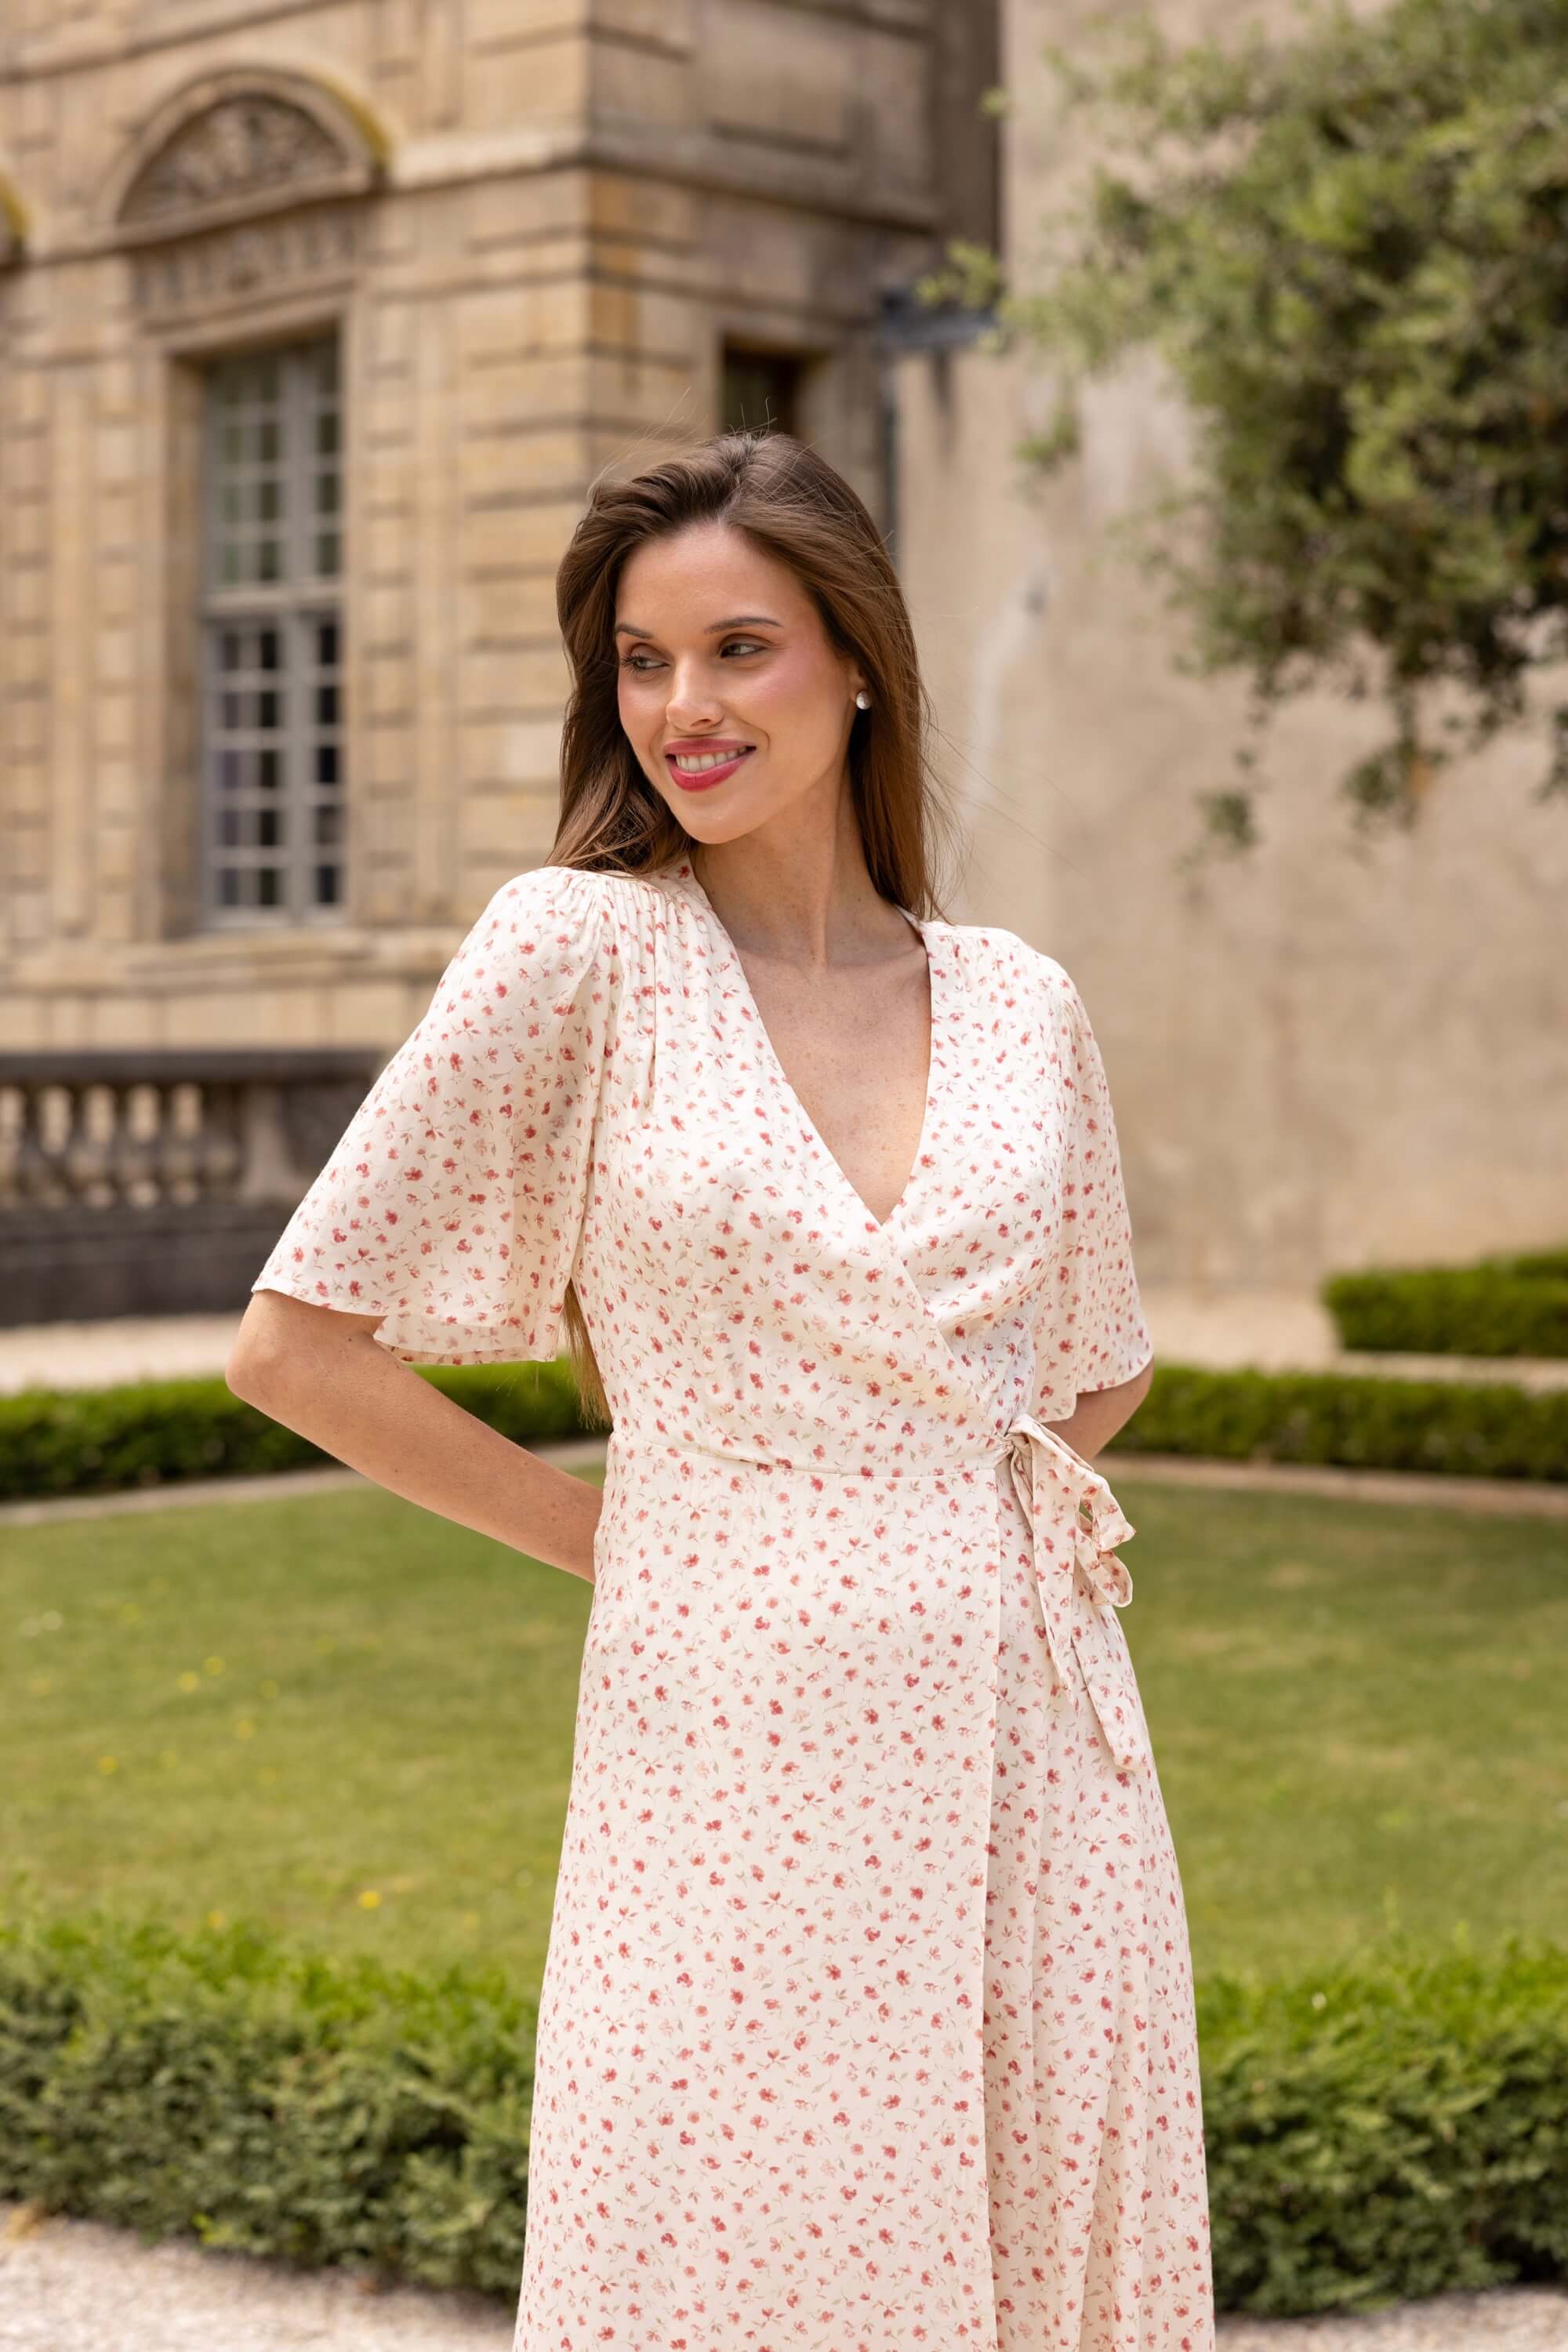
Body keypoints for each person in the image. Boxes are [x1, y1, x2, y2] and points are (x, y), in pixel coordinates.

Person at [227, 429, 1214, 2351]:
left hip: (1040, 1749)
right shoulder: (578, 949)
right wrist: (650, 1543)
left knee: (1037, 2241)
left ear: (858, 663)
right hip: (729, 1741)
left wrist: (918, 1514)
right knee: (738, 2249)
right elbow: (298, 1346)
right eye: (640, 660)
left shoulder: (1021, 998)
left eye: (737, 648)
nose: (683, 704)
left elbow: (1096, 1368)